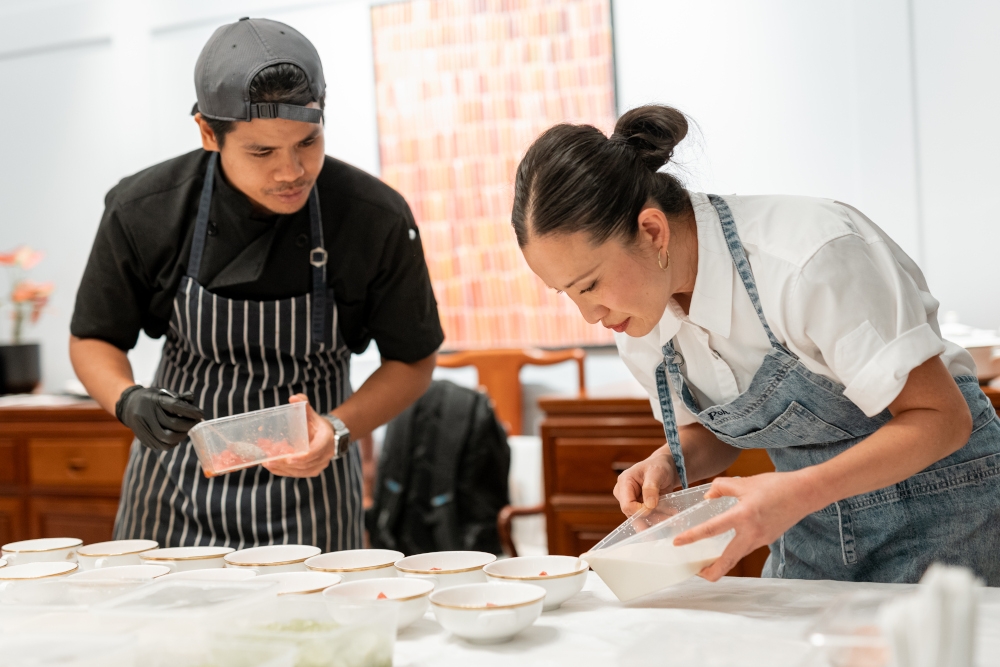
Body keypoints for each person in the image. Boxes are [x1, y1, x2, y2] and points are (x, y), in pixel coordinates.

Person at [511, 104, 1000, 584]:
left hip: (944, 511)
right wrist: (669, 461)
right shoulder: (641, 318)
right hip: (810, 531)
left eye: (590, 285)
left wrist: (798, 492)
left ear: (653, 232)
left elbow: (942, 419)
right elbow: (720, 433)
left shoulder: (807, 259)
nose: (589, 315)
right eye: (568, 294)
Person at [69, 18, 443, 550]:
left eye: (307, 142)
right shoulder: (144, 209)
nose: (291, 170)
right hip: (176, 495)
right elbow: (93, 337)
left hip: (309, 494)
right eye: (262, 152)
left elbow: (413, 360)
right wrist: (128, 400)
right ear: (207, 132)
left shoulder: (371, 217)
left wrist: (335, 431)